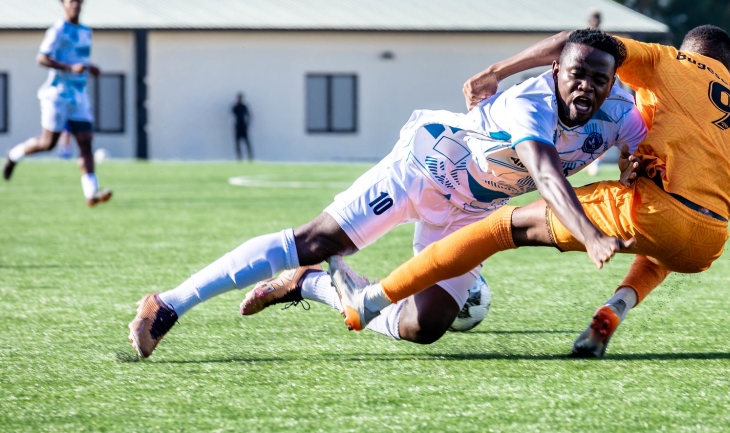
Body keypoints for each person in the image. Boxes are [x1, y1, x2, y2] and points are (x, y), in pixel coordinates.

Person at [331, 26, 730, 358]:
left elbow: (575, 43)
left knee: (498, 228)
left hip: (651, 210)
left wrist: (498, 71)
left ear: (689, 52)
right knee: (663, 246)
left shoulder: (667, 60)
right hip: (708, 243)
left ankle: (370, 300)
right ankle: (613, 313)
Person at [127, 29, 647, 358]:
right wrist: (591, 234)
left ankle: (313, 288)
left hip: (472, 210)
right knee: (315, 240)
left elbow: (645, 145)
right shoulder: (529, 104)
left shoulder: (619, 111)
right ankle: (168, 304)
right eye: (575, 74)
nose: (586, 87)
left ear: (611, 84)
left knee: (427, 327)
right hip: (422, 168)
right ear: (556, 72)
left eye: (598, 80)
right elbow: (547, 173)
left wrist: (638, 165)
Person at [3, 0, 112, 207]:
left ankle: (91, 193)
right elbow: (42, 58)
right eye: (71, 1)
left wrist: (90, 68)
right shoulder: (58, 30)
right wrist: (69, 67)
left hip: (79, 96)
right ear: (63, 4)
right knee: (48, 143)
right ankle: (14, 154)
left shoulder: (86, 32)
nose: (75, 4)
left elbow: (79, 59)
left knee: (85, 141)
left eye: (78, 1)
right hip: (57, 94)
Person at [232, 93, 253, 161]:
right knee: (237, 143)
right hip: (238, 126)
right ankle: (239, 158)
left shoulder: (244, 107)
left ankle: (250, 157)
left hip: (243, 127)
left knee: (247, 143)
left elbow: (249, 115)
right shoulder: (236, 107)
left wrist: (247, 125)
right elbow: (233, 112)